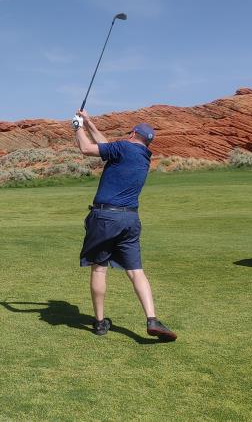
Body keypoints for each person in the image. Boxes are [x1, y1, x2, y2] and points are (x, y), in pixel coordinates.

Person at [73, 109, 176, 341]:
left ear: (132, 134)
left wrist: (77, 127)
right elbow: (106, 147)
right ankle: (152, 319)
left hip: (105, 218)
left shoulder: (122, 147)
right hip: (130, 220)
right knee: (136, 271)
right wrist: (88, 122)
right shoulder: (143, 157)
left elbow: (87, 149)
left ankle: (100, 323)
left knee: (99, 268)